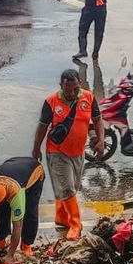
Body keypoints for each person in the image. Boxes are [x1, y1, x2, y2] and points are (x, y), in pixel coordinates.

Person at [33, 69, 103, 240]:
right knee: (67, 187)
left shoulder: (88, 97)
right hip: (57, 152)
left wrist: (101, 140)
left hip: (78, 152)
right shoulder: (51, 102)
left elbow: (97, 119)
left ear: (79, 84)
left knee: (71, 186)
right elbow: (42, 127)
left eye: (75, 88)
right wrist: (36, 148)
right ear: (61, 86)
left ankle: (61, 217)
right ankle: (75, 224)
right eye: (67, 89)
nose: (71, 93)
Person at [0, 157, 46, 263]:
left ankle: (26, 245)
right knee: (1, 211)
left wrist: (10, 255)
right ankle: (0, 241)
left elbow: (18, 226)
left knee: (29, 213)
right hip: (11, 164)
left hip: (35, 171)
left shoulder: (16, 193)